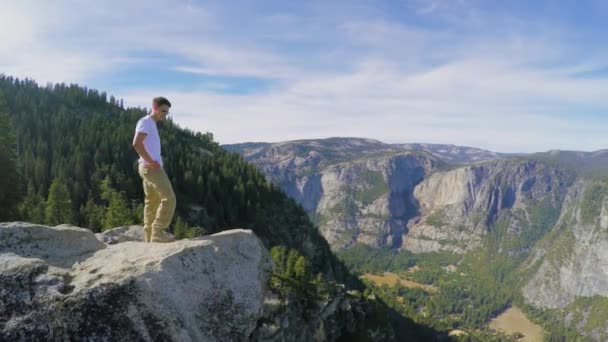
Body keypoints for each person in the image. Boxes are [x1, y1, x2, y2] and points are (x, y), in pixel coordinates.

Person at [132, 97, 176, 243]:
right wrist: (151, 162)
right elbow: (137, 144)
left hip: (146, 167)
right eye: (163, 110)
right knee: (169, 199)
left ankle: (149, 236)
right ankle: (158, 231)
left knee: (152, 201)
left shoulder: (150, 123)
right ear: (155, 107)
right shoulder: (146, 122)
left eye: (167, 112)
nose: (165, 114)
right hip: (151, 168)